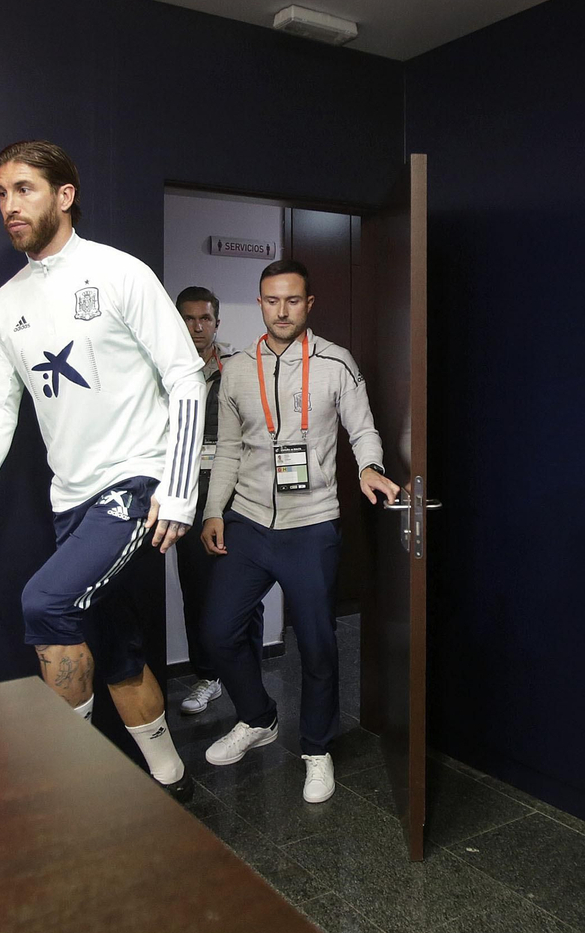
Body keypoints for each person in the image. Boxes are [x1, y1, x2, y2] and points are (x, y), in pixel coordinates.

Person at [0, 140, 204, 800]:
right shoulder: (9, 303)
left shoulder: (120, 274)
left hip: (135, 484)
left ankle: (69, 784)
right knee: (113, 645)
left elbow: (187, 379)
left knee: (45, 603)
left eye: (24, 189)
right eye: (1, 192)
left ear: (64, 195)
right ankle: (172, 779)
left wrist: (178, 491)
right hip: (71, 501)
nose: (9, 205)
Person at [198, 260, 399, 803]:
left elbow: (362, 427)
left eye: (291, 300)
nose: (280, 310)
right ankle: (258, 718)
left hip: (311, 527)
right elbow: (230, 449)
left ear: (309, 304)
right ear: (259, 303)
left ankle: (316, 748)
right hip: (247, 522)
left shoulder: (336, 362)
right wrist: (215, 510)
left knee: (315, 645)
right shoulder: (238, 367)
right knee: (219, 631)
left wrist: (369, 468)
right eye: (270, 300)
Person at [170, 285, 260, 715]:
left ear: (217, 323)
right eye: (188, 318)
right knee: (197, 589)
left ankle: (251, 676)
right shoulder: (165, 370)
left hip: (235, 494)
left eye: (204, 318)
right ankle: (207, 676)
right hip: (187, 495)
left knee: (244, 589)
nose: (197, 326)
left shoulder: (239, 369)